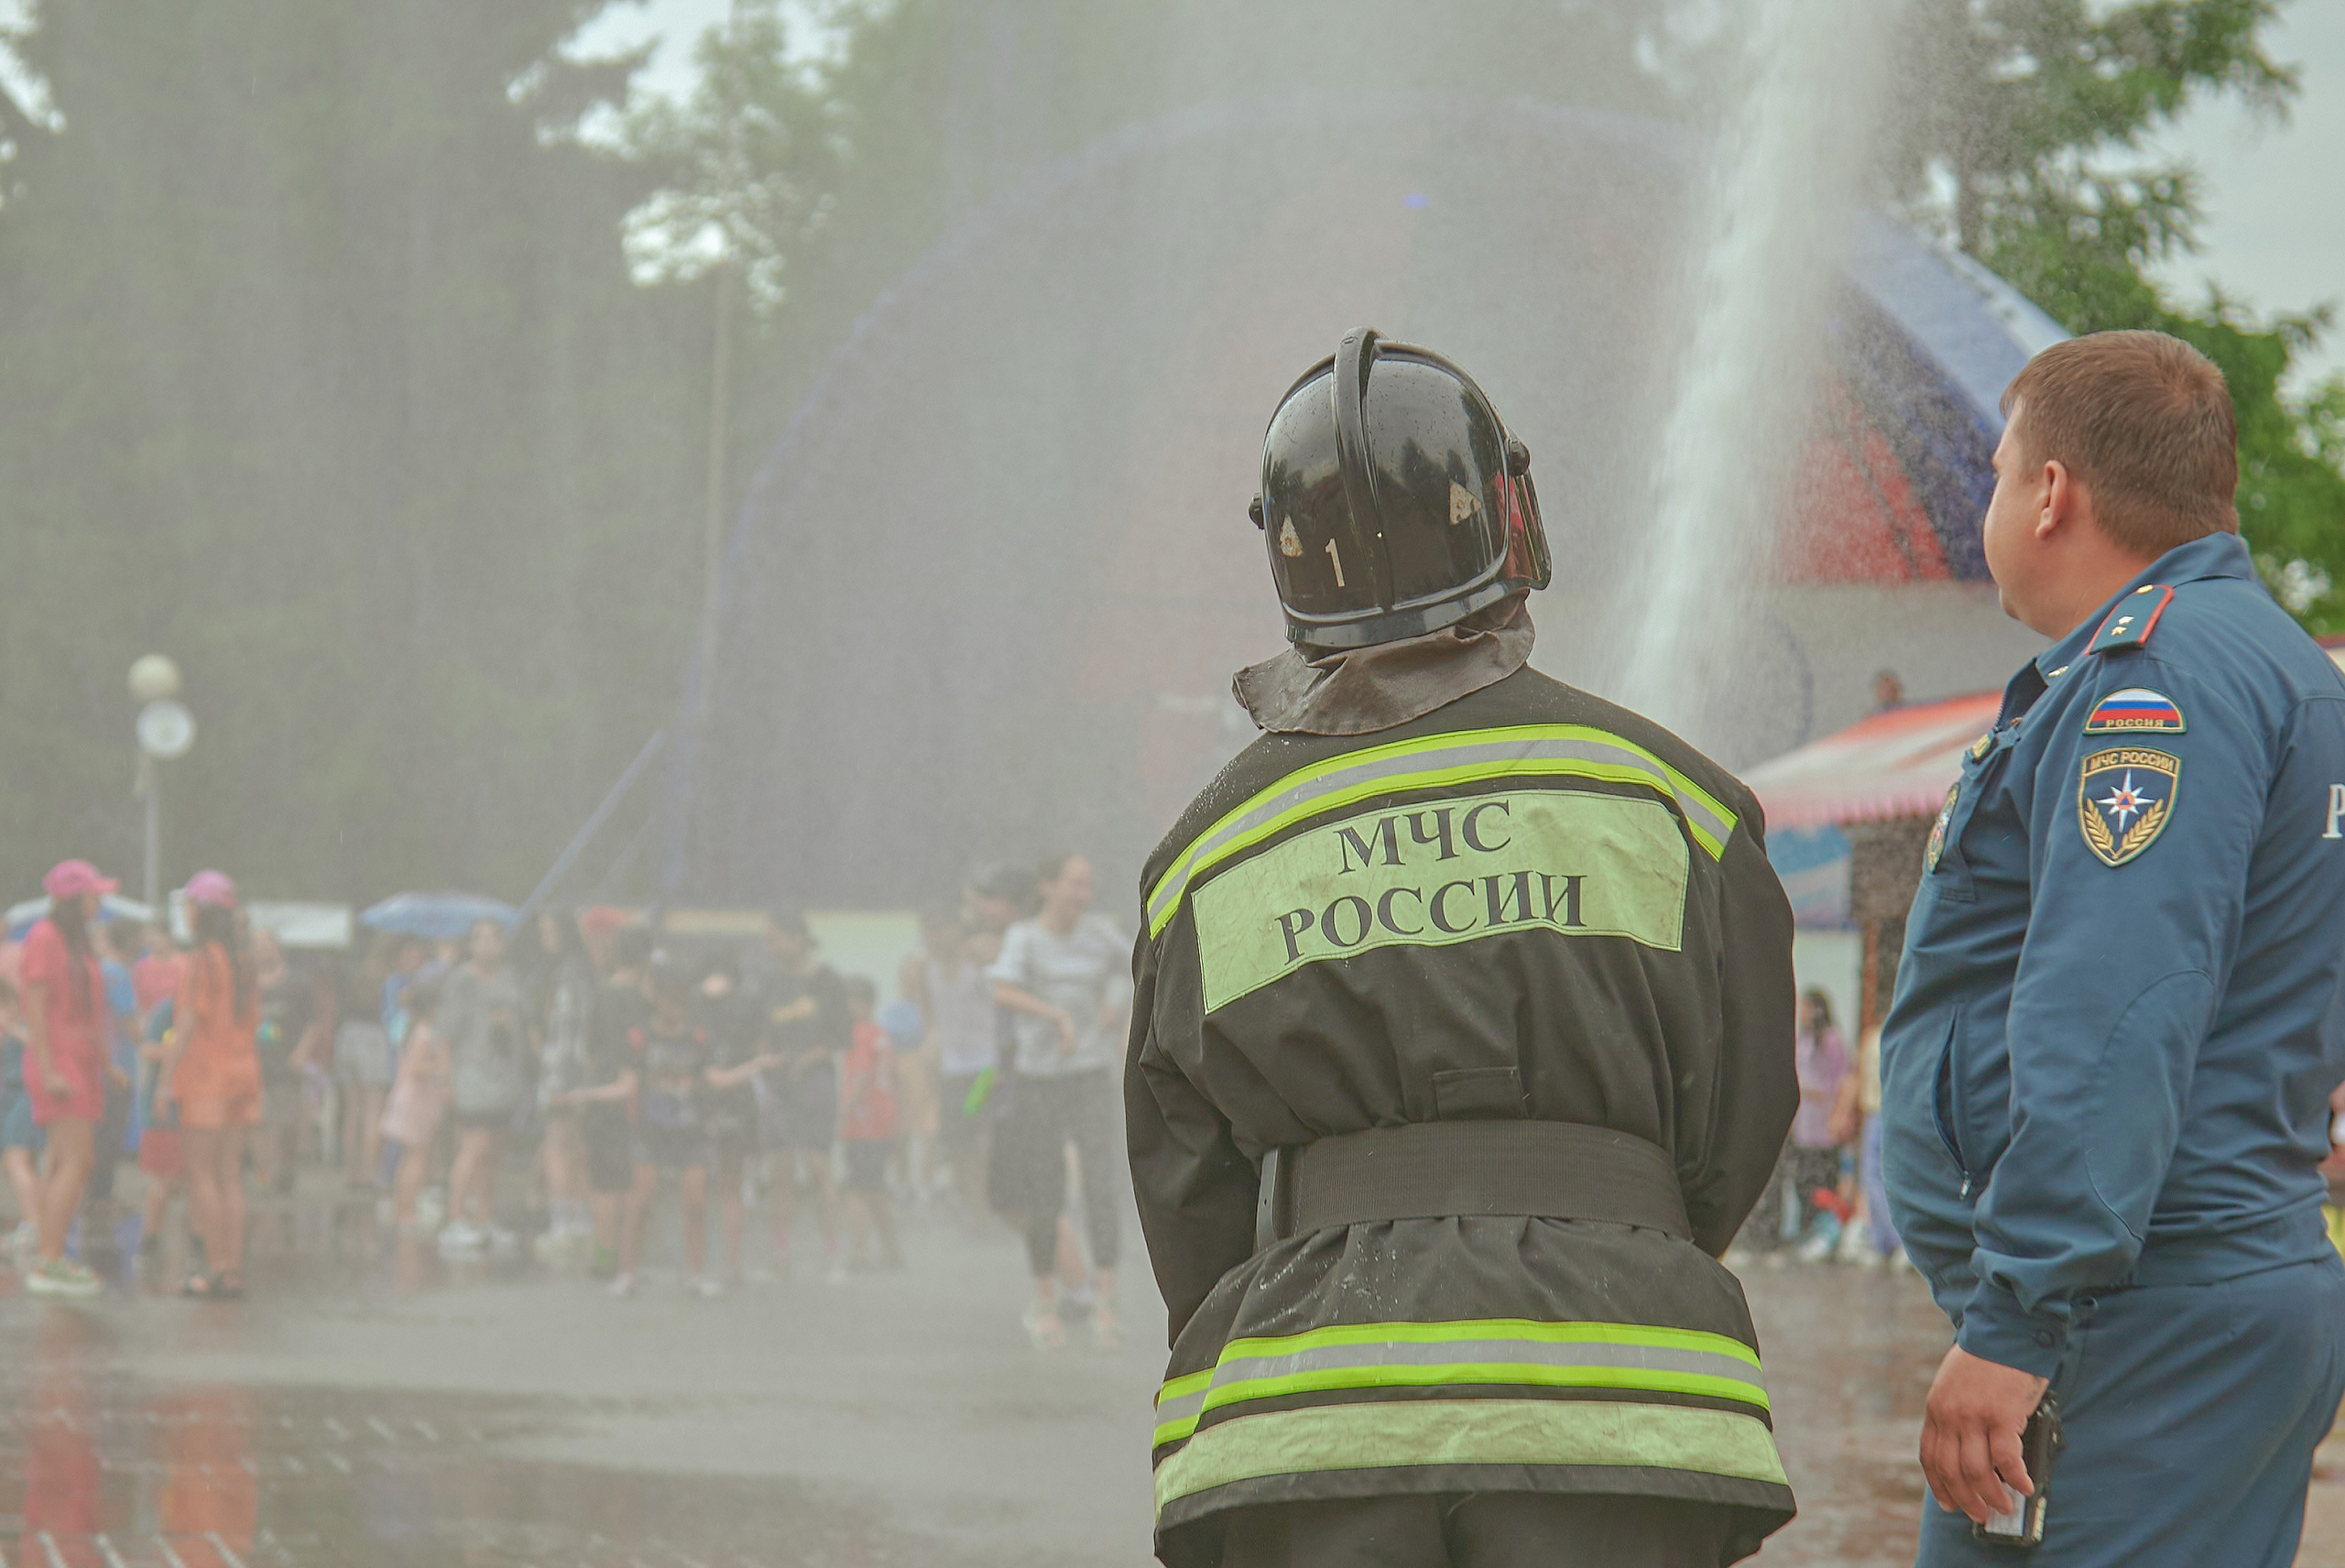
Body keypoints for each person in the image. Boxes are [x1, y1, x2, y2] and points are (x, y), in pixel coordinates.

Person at [1126, 331, 1798, 1566]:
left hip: (1310, 1420)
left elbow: (1187, 1193)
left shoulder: (1201, 855)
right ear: (1508, 517)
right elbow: (1743, 1114)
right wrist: (1610, 1235)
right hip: (1623, 1392)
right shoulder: (1677, 801)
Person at [1878, 331, 2345, 1565]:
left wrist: (2018, 1316)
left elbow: (2118, 1004)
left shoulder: (2152, 684)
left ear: (2051, 493)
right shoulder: (2280, 667)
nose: (1987, 502)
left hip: (2128, 1318)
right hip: (2197, 1290)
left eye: (1995, 473)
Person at [991, 853, 1131, 1349]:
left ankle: (1106, 1301)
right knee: (1045, 1189)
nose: (1082, 895)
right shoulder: (1025, 937)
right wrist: (1056, 1016)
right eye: (1073, 885)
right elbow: (1002, 989)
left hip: (1088, 1074)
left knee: (1100, 1183)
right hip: (1040, 1079)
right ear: (1047, 886)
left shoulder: (1098, 935)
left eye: (1087, 886)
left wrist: (1116, 1004)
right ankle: (1045, 1301)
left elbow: (1140, 963)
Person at [19, 859, 128, 1297]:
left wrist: (107, 1064)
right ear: (75, 898)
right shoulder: (45, 937)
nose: (99, 901)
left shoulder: (76, 942)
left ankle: (50, 1255)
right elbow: (36, 1009)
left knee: (64, 1161)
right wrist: (48, 1070)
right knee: (77, 1160)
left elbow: (91, 1011)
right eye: (93, 894)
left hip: (80, 1060)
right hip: (59, 1061)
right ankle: (49, 1259)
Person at [155, 871, 262, 1299]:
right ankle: (232, 1269)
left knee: (202, 1175)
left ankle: (214, 1269)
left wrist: (165, 1081)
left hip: (204, 1077)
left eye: (189, 906)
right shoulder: (243, 962)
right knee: (229, 1176)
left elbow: (186, 1023)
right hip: (242, 1075)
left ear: (201, 911)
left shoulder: (201, 960)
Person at [604, 954, 722, 1298]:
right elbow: (626, 1084)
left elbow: (714, 1078)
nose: (676, 1008)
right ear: (656, 998)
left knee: (696, 1204)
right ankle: (627, 1273)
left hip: (691, 1130)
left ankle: (695, 1274)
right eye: (670, 999)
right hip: (650, 1130)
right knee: (640, 1203)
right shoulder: (639, 1037)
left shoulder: (699, 1037)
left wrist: (753, 1068)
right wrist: (586, 1095)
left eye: (682, 1000)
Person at [756, 910, 850, 1285]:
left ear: (798, 938)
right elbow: (761, 1034)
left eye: (775, 938)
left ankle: (835, 1257)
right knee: (780, 1173)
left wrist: (807, 1060)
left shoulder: (827, 980)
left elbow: (841, 1038)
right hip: (779, 1087)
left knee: (818, 1169)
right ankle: (781, 1258)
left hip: (815, 1085)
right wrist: (768, 1061)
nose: (770, 947)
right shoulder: (770, 983)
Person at [434, 919, 527, 1258]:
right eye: (481, 939)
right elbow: (444, 1035)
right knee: (474, 1147)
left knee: (495, 1151)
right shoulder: (460, 981)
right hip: (472, 1075)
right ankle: (456, 1219)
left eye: (494, 938)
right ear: (471, 945)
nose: (488, 945)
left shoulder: (509, 979)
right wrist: (446, 1079)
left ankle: (485, 1217)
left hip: (504, 1075)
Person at [902, 906, 998, 1211]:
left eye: (943, 927)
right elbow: (930, 1017)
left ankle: (987, 1200)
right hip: (952, 1068)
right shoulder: (925, 970)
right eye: (931, 929)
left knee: (983, 1136)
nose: (937, 935)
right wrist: (928, 1053)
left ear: (957, 928)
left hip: (987, 1067)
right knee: (957, 1141)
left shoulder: (979, 960)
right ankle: (974, 1202)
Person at [577, 926, 650, 1277]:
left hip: (601, 1094)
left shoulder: (601, 995)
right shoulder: (639, 1001)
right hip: (633, 1098)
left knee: (603, 1182)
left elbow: (590, 1051)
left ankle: (603, 1254)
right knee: (630, 1182)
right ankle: (626, 1256)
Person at [527, 909, 599, 1262]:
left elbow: (563, 1030)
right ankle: (581, 1221)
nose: (545, 939)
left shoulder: (563, 975)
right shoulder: (586, 972)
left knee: (559, 1145)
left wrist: (550, 1065)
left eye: (550, 931)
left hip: (562, 1070)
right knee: (577, 1146)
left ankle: (562, 1224)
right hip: (581, 1071)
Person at [698, 948, 767, 1285]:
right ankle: (730, 1263)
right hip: (736, 1102)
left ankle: (698, 1266)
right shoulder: (748, 1005)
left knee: (695, 1184)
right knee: (731, 1187)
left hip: (699, 1102)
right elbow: (761, 1047)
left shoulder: (693, 1005)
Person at [839, 976, 902, 1269]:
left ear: (860, 1004)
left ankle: (859, 1252)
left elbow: (862, 1076)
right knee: (875, 1187)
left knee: (856, 1189)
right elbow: (895, 1077)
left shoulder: (859, 1033)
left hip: (863, 1121)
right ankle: (892, 1249)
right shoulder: (881, 1034)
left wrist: (844, 1113)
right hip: (884, 1120)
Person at [379, 976, 451, 1234]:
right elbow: (415, 1068)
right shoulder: (425, 1033)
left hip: (410, 1098)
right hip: (417, 1101)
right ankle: (407, 1212)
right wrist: (440, 1067)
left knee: (409, 1157)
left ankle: (402, 1209)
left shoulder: (414, 1028)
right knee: (417, 1158)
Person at [333, 947, 396, 1191]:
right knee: (373, 1110)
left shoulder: (352, 973)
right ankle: (369, 1173)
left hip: (347, 1034)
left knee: (352, 1111)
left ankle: (351, 1173)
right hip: (373, 1036)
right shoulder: (386, 978)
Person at [1, 977, 44, 1262]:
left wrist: (13, 1028)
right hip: (12, 1099)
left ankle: (34, 1226)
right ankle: (37, 1223)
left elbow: (41, 1046)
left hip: (28, 1097)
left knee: (16, 1158)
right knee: (22, 1163)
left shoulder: (25, 1027)